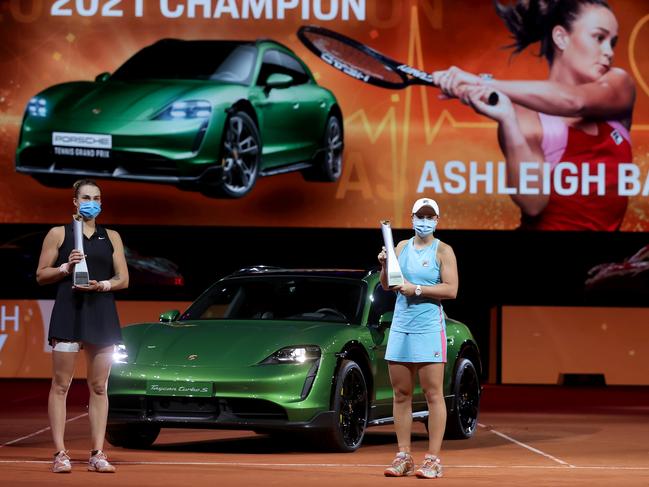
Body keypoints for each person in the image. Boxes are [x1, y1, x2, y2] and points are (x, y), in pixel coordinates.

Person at [434, 0, 635, 231]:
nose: (609, 52)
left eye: (613, 42)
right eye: (599, 38)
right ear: (561, 38)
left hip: (607, 264)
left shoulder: (619, 85)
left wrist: (481, 82)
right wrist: (508, 120)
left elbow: (575, 102)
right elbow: (533, 204)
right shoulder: (526, 115)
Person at [36, 179, 129, 473]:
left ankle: (98, 453)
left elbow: (122, 279)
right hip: (68, 311)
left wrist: (101, 285)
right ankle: (60, 453)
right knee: (61, 384)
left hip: (101, 311)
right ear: (75, 202)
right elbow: (41, 275)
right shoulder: (58, 234)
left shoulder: (111, 236)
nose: (93, 202)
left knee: (99, 386)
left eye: (97, 197)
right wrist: (65, 267)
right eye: (86, 197)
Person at [377, 197, 458, 479]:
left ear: (436, 220)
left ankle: (433, 459)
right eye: (419, 216)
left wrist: (419, 290)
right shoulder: (400, 247)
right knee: (401, 395)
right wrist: (385, 265)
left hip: (428, 329)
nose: (423, 221)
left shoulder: (443, 251)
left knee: (433, 394)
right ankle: (404, 456)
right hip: (401, 327)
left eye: (429, 217)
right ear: (412, 218)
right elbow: (388, 285)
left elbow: (451, 290)